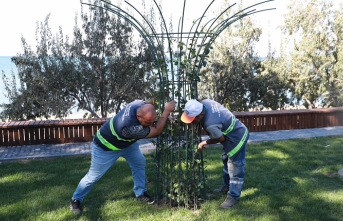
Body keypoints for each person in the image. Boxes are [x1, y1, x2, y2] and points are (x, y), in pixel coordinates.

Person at [70, 99, 176, 214]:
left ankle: (140, 193)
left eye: (152, 122)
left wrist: (154, 101)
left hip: (126, 145)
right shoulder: (129, 128)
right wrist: (166, 111)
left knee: (139, 163)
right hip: (105, 147)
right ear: (138, 116)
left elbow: (148, 102)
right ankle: (76, 199)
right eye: (147, 122)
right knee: (93, 176)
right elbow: (156, 130)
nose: (150, 125)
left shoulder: (137, 104)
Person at [180, 99, 249, 209]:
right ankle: (227, 186)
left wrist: (203, 143)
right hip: (231, 134)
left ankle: (233, 196)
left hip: (237, 138)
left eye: (193, 119)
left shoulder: (210, 124)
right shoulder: (206, 102)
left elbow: (219, 138)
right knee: (226, 160)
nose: (192, 122)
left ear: (201, 114)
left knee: (235, 167)